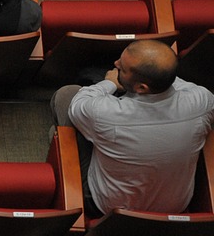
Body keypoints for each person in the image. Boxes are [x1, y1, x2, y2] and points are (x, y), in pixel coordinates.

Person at [51, 40, 214, 215]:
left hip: (107, 207)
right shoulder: (203, 101)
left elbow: (78, 104)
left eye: (122, 68)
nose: (116, 64)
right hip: (174, 208)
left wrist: (110, 83)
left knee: (66, 96)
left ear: (141, 87)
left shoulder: (104, 113)